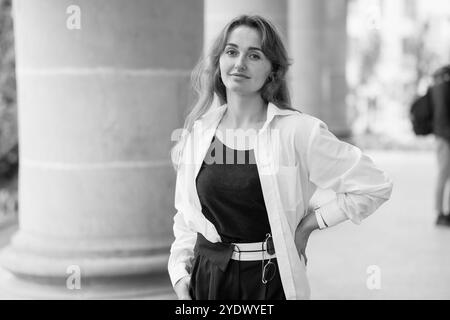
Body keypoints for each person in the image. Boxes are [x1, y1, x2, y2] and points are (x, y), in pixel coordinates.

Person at [168, 15, 393, 300]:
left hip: (269, 281)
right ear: (219, 61)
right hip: (207, 281)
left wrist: (311, 223)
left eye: (254, 55)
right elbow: (186, 218)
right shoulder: (198, 133)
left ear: (272, 70)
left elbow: (374, 185)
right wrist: (180, 275)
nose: (239, 63)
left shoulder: (299, 131)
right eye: (232, 51)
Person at [430, 65, 450, 226]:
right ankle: (440, 213)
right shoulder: (442, 89)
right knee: (443, 175)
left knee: (444, 175)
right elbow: (443, 117)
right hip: (444, 138)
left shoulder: (437, 88)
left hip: (442, 136)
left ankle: (444, 212)